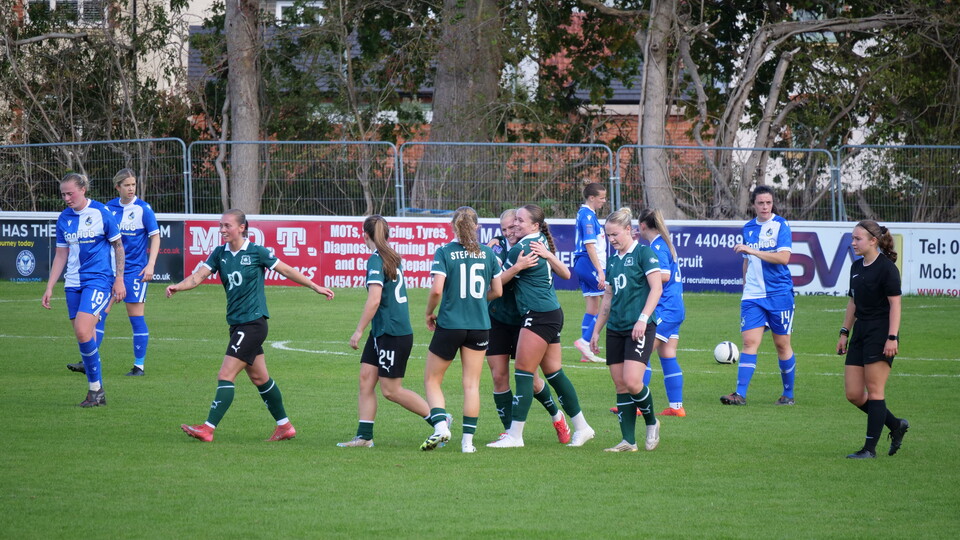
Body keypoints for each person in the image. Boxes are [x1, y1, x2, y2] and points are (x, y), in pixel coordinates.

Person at [167, 209, 334, 442]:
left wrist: (315, 286)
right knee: (260, 379)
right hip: (237, 325)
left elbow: (286, 270)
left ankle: (208, 428)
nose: (222, 230)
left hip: (253, 323)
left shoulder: (256, 252)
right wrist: (178, 286)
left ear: (242, 227)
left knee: (226, 374)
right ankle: (285, 426)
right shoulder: (219, 254)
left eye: (227, 226)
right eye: (221, 226)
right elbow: (198, 277)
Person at [488, 204, 595, 448]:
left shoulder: (523, 248)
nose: (515, 224)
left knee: (524, 373)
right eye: (512, 222)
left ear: (535, 225)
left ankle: (515, 436)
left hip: (538, 315)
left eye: (520, 220)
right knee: (554, 374)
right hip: (550, 312)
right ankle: (582, 427)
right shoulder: (537, 241)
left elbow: (497, 286)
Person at [338, 215, 432, 448]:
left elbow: (375, 300)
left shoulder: (376, 259)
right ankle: (364, 437)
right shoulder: (392, 256)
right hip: (383, 331)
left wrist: (359, 330)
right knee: (366, 380)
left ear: (365, 236)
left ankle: (440, 420)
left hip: (392, 332)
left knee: (391, 390)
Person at [421, 206, 503, 453]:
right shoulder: (488, 254)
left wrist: (428, 313)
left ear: (453, 226)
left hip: (450, 324)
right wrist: (477, 301)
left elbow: (436, 290)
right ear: (477, 226)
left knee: (433, 380)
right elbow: (498, 291)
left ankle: (441, 427)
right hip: (479, 326)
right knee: (471, 384)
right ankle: (467, 443)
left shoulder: (444, 251)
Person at [42, 173, 126, 407]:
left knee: (82, 330)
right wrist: (50, 287)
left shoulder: (101, 213)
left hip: (99, 280)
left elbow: (118, 246)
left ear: (83, 190)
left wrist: (119, 280)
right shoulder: (64, 218)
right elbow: (61, 255)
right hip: (73, 284)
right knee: (84, 336)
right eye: (63, 194)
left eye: (70, 193)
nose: (67, 198)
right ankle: (96, 391)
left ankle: (96, 391)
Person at [590, 207, 663, 452]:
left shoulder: (644, 253)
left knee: (633, 381)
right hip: (616, 328)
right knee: (620, 385)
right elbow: (608, 299)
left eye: (615, 235)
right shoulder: (612, 261)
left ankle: (652, 422)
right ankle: (628, 441)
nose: (611, 240)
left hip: (640, 326)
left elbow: (656, 289)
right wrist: (596, 330)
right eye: (608, 236)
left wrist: (643, 319)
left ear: (629, 231)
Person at [837, 220, 909, 459]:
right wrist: (844, 332)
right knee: (854, 394)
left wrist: (892, 337)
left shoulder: (887, 269)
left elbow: (895, 305)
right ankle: (896, 425)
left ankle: (869, 449)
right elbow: (853, 302)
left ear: (873, 241)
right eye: (853, 238)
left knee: (875, 391)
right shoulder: (856, 267)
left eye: (857, 238)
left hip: (881, 333)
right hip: (860, 334)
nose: (853, 242)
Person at [722, 185, 797, 406]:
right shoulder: (748, 228)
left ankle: (788, 394)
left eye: (768, 203)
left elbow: (783, 258)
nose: (765, 206)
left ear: (772, 204)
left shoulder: (781, 225)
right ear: (753, 205)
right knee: (749, 342)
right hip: (753, 295)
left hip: (779, 293)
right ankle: (739, 394)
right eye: (760, 203)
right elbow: (747, 261)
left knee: (782, 344)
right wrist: (746, 285)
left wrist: (753, 250)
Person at [102, 168, 160, 376]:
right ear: (117, 187)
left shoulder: (143, 209)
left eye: (133, 184)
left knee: (135, 317)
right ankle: (87, 359)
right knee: (99, 314)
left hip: (134, 271)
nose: (131, 189)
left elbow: (155, 236)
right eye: (127, 185)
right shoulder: (108, 209)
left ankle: (139, 366)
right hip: (110, 270)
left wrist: (151, 264)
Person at [639, 208, 687, 417]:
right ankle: (676, 407)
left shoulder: (657, 246)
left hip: (665, 308)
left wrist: (640, 277)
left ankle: (637, 406)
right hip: (675, 307)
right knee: (667, 355)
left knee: (641, 354)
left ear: (642, 226)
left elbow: (664, 275)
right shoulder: (663, 243)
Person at [572, 182, 608, 363]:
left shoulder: (587, 214)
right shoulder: (586, 216)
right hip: (588, 263)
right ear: (592, 198)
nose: (604, 200)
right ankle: (585, 341)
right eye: (602, 197)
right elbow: (589, 245)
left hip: (584, 263)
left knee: (593, 307)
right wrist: (600, 271)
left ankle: (585, 353)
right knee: (612, 301)